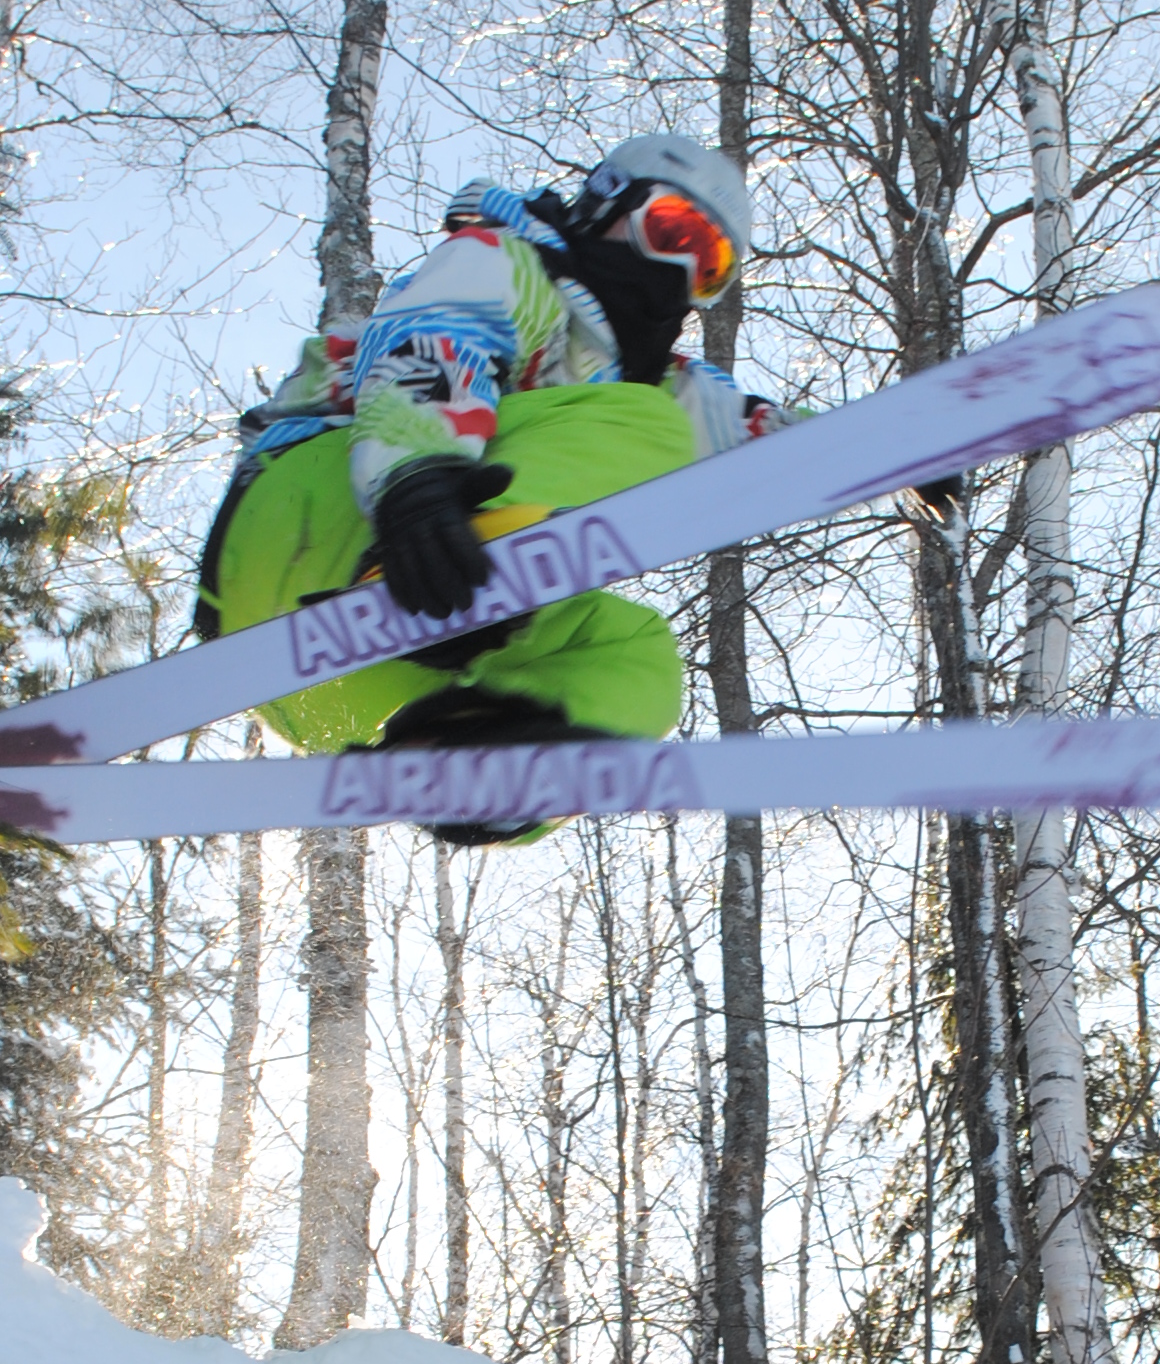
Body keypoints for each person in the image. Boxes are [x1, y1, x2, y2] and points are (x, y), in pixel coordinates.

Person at [195, 131, 776, 839]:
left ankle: (489, 759)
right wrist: (414, 483)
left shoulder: (662, 385)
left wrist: (889, 448)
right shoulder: (512, 265)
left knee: (642, 657)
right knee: (645, 420)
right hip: (319, 516)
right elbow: (436, 343)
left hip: (333, 696)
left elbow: (783, 438)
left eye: (709, 267)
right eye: (671, 231)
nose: (679, 272)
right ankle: (446, 568)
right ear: (606, 205)